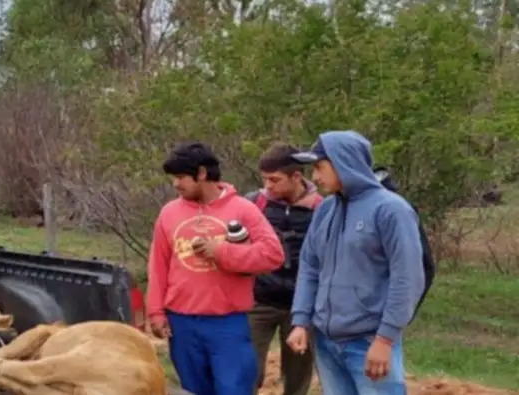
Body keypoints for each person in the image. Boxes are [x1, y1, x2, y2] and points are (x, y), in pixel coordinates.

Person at [285, 131, 426, 395]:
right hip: (326, 343)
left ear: (344, 162)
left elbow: (407, 278)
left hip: (369, 342)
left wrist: (385, 339)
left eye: (319, 167)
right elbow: (310, 267)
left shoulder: (391, 210)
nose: (314, 177)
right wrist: (301, 321)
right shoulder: (325, 210)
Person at [146, 142, 286, 395]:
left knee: (234, 389)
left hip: (227, 322)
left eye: (181, 177)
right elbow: (158, 264)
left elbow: (272, 255)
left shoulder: (243, 209)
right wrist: (155, 311)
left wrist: (222, 252)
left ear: (201, 173)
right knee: (193, 390)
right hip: (181, 322)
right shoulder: (169, 213)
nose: (176, 184)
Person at [246, 143, 324, 395]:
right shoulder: (254, 203)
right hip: (258, 300)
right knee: (247, 371)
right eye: (265, 179)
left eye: (274, 179)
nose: (268, 186)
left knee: (297, 376)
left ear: (296, 176)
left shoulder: (322, 209)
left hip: (302, 305)